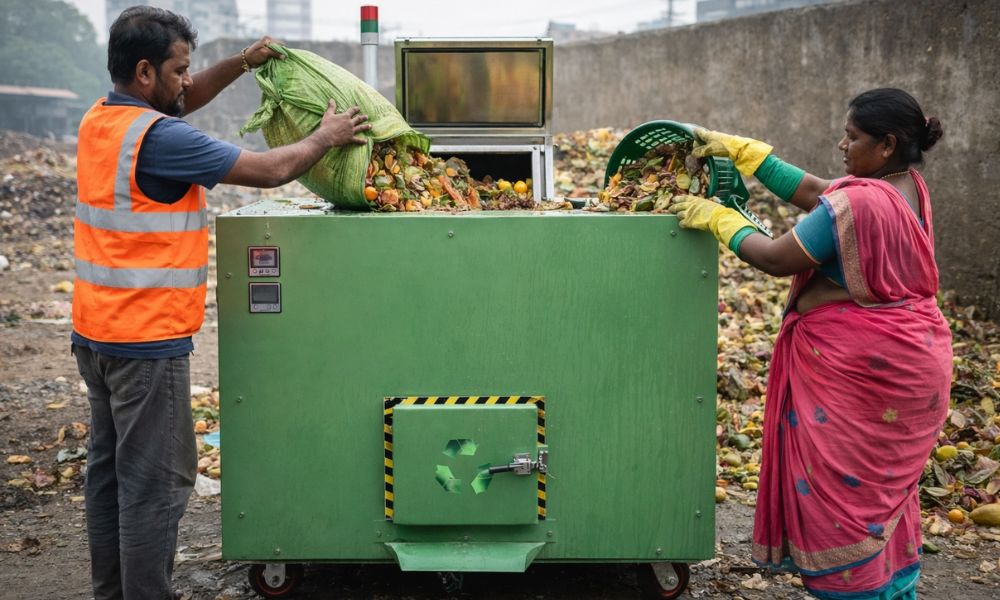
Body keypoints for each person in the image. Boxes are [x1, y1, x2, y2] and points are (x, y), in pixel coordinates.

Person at [71, 6, 371, 599]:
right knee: (156, 485)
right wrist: (325, 137)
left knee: (108, 479)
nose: (188, 81)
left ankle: (112, 592)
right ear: (144, 73)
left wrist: (240, 63)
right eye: (180, 70)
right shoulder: (163, 140)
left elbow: (181, 102)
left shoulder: (102, 119)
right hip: (147, 345)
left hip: (96, 335)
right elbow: (266, 170)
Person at [668, 88, 951, 599]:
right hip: (913, 364)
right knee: (882, 496)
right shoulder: (906, 187)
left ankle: (855, 590)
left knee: (842, 503)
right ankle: (892, 587)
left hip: (862, 374)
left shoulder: (864, 201)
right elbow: (824, 192)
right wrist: (754, 157)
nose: (842, 145)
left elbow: (777, 258)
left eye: (853, 137)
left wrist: (716, 218)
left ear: (887, 144)